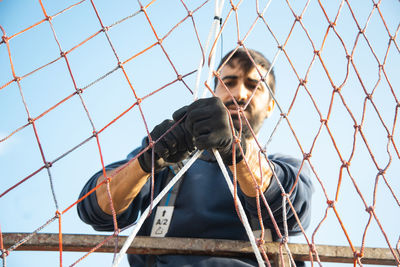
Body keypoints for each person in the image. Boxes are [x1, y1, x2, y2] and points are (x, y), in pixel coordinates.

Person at [77, 48, 313, 266]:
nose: (240, 94)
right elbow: (95, 209)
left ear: (271, 106)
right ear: (213, 92)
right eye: (229, 82)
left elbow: (294, 210)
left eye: (254, 86)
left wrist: (236, 150)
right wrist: (147, 160)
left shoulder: (285, 167)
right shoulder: (169, 163)